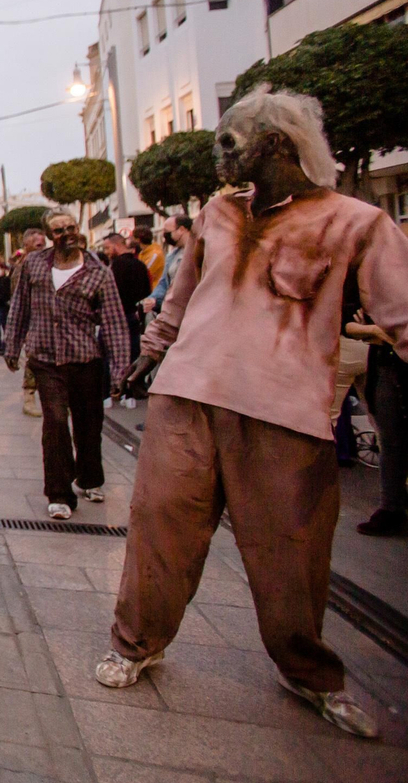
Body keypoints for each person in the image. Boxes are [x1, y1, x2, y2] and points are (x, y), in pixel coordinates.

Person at [100, 87, 408, 738]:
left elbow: (401, 314)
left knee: (290, 553)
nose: (220, 152)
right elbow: (180, 301)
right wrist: (148, 353)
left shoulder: (356, 222)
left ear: (273, 142)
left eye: (230, 140)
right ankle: (138, 642)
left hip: (283, 410)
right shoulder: (218, 212)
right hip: (185, 395)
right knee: (158, 527)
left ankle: (307, 672)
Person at [2, 210, 129, 520]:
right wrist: (13, 346)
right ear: (50, 235)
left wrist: (120, 370)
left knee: (88, 424)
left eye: (71, 227)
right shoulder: (35, 264)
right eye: (59, 230)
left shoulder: (99, 272)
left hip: (85, 359)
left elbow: (114, 322)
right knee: (56, 422)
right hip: (45, 359)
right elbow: (20, 306)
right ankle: (59, 493)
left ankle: (89, 478)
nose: (68, 234)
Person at [352, 310, 406, 536]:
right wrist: (372, 329)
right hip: (384, 361)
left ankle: (391, 508)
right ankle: (390, 508)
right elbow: (353, 321)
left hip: (391, 357)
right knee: (390, 440)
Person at [10, 228, 47, 417]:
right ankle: (29, 399)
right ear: (26, 246)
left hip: (50, 324)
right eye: (37, 244)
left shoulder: (51, 263)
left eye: (43, 243)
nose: (42, 247)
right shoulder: (23, 267)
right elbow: (18, 301)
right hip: (33, 324)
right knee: (33, 362)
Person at [102, 233, 153, 365]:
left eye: (107, 248)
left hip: (120, 319)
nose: (106, 252)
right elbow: (148, 290)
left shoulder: (116, 267)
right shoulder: (140, 264)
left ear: (117, 246)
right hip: (137, 317)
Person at [140, 215, 193, 314]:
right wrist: (153, 299)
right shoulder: (172, 255)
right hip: (175, 310)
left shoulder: (199, 252)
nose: (165, 236)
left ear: (181, 229)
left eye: (167, 232)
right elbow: (164, 282)